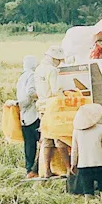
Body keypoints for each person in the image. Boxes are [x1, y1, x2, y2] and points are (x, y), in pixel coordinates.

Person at [35, 45, 72, 178]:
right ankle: (69, 169)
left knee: (46, 140)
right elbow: (56, 90)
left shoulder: (38, 70)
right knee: (60, 138)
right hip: (53, 107)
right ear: (54, 58)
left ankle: (45, 171)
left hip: (42, 107)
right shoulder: (52, 70)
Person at [68, 102, 102, 195]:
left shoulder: (76, 131)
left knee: (88, 193)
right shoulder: (101, 129)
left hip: (84, 166)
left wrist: (73, 164)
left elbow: (74, 150)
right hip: (100, 165)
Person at [15, 55, 41, 178]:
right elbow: (31, 92)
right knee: (44, 141)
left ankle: (29, 169)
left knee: (29, 144)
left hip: (24, 115)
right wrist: (42, 96)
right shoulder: (31, 75)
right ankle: (36, 169)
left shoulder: (21, 77)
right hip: (33, 114)